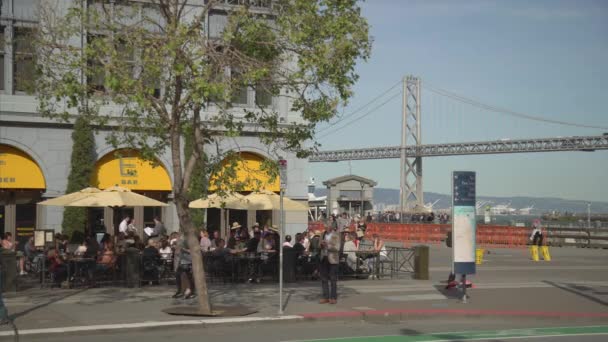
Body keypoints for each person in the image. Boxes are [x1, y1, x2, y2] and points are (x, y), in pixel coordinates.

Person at [319, 222, 341, 304]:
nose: (326, 228)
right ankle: (325, 297)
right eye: (325, 226)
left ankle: (333, 297)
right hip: (323, 258)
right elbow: (318, 246)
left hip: (333, 259)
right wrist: (321, 245)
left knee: (333, 279)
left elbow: (337, 248)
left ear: (331, 227)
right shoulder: (322, 234)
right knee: (324, 279)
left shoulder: (336, 235)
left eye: (328, 226)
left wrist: (328, 246)